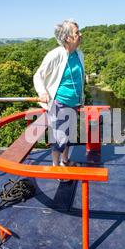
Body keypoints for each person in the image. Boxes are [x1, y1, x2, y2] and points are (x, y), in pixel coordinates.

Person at [33, 19, 84, 170]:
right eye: (77, 32)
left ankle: (65, 161)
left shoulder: (79, 54)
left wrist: (80, 98)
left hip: (74, 102)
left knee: (69, 135)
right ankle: (56, 167)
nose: (80, 34)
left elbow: (79, 78)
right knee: (59, 137)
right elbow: (38, 75)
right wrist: (42, 92)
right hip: (59, 102)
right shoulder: (55, 55)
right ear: (68, 38)